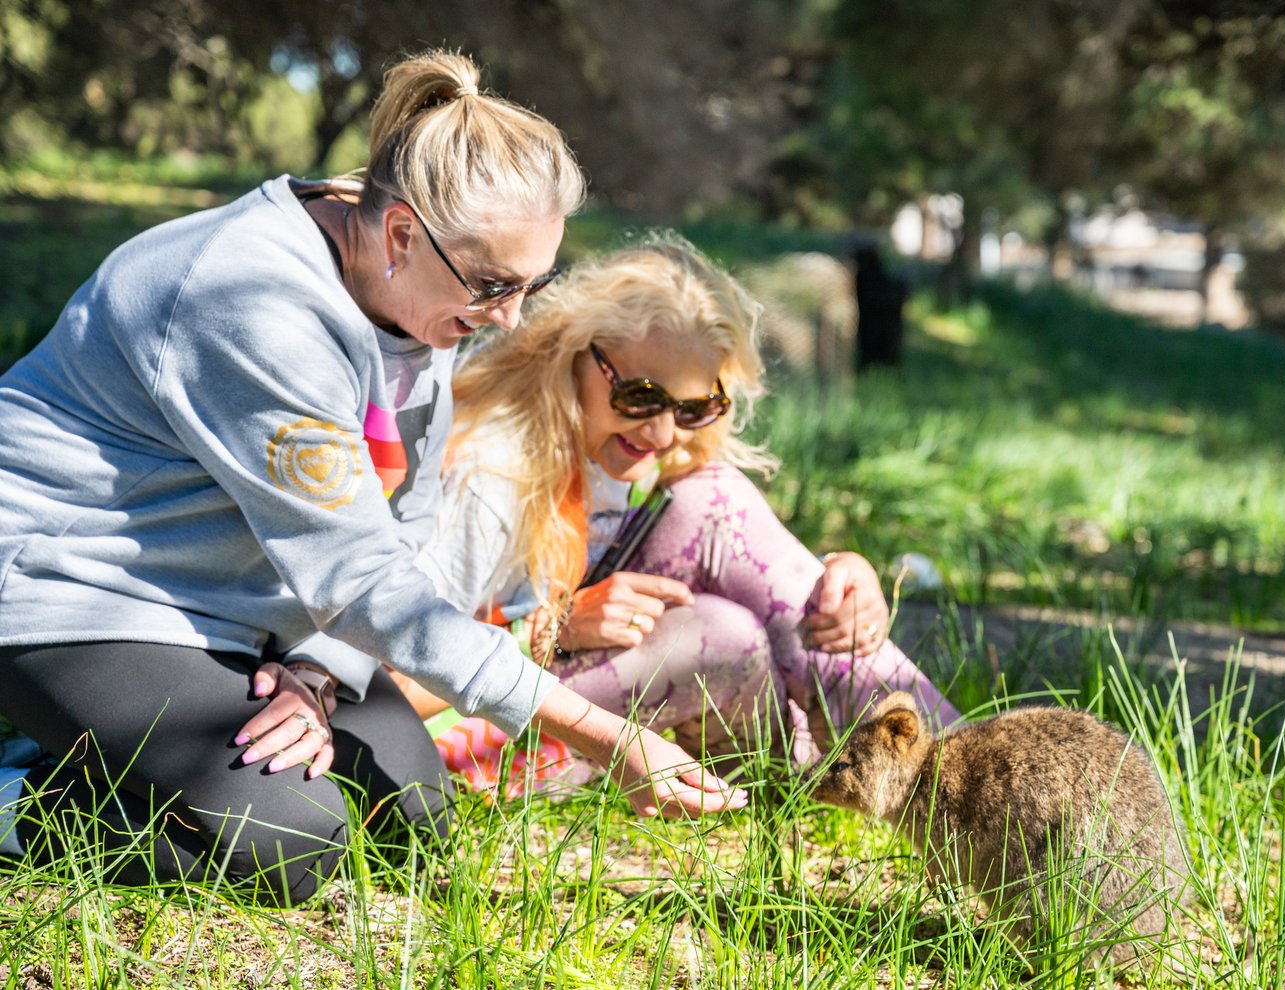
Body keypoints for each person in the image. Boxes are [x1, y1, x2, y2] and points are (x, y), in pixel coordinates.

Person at [0, 51, 740, 906]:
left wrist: (316, 673)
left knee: (410, 822)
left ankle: (126, 746)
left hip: (236, 605)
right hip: (75, 587)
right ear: (400, 234)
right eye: (496, 285)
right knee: (286, 843)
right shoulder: (251, 302)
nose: (512, 318)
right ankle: (23, 790)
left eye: (532, 285)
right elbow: (361, 578)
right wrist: (607, 736)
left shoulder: (415, 298)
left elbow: (399, 520)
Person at [403, 237, 959, 788]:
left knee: (713, 496)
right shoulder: (492, 475)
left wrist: (837, 579)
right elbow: (394, 673)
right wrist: (552, 630)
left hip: (583, 692)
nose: (663, 432)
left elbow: (748, 556)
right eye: (640, 397)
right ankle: (886, 779)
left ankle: (968, 770)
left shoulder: (633, 455)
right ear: (573, 353)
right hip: (467, 737)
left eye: (694, 408)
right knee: (725, 635)